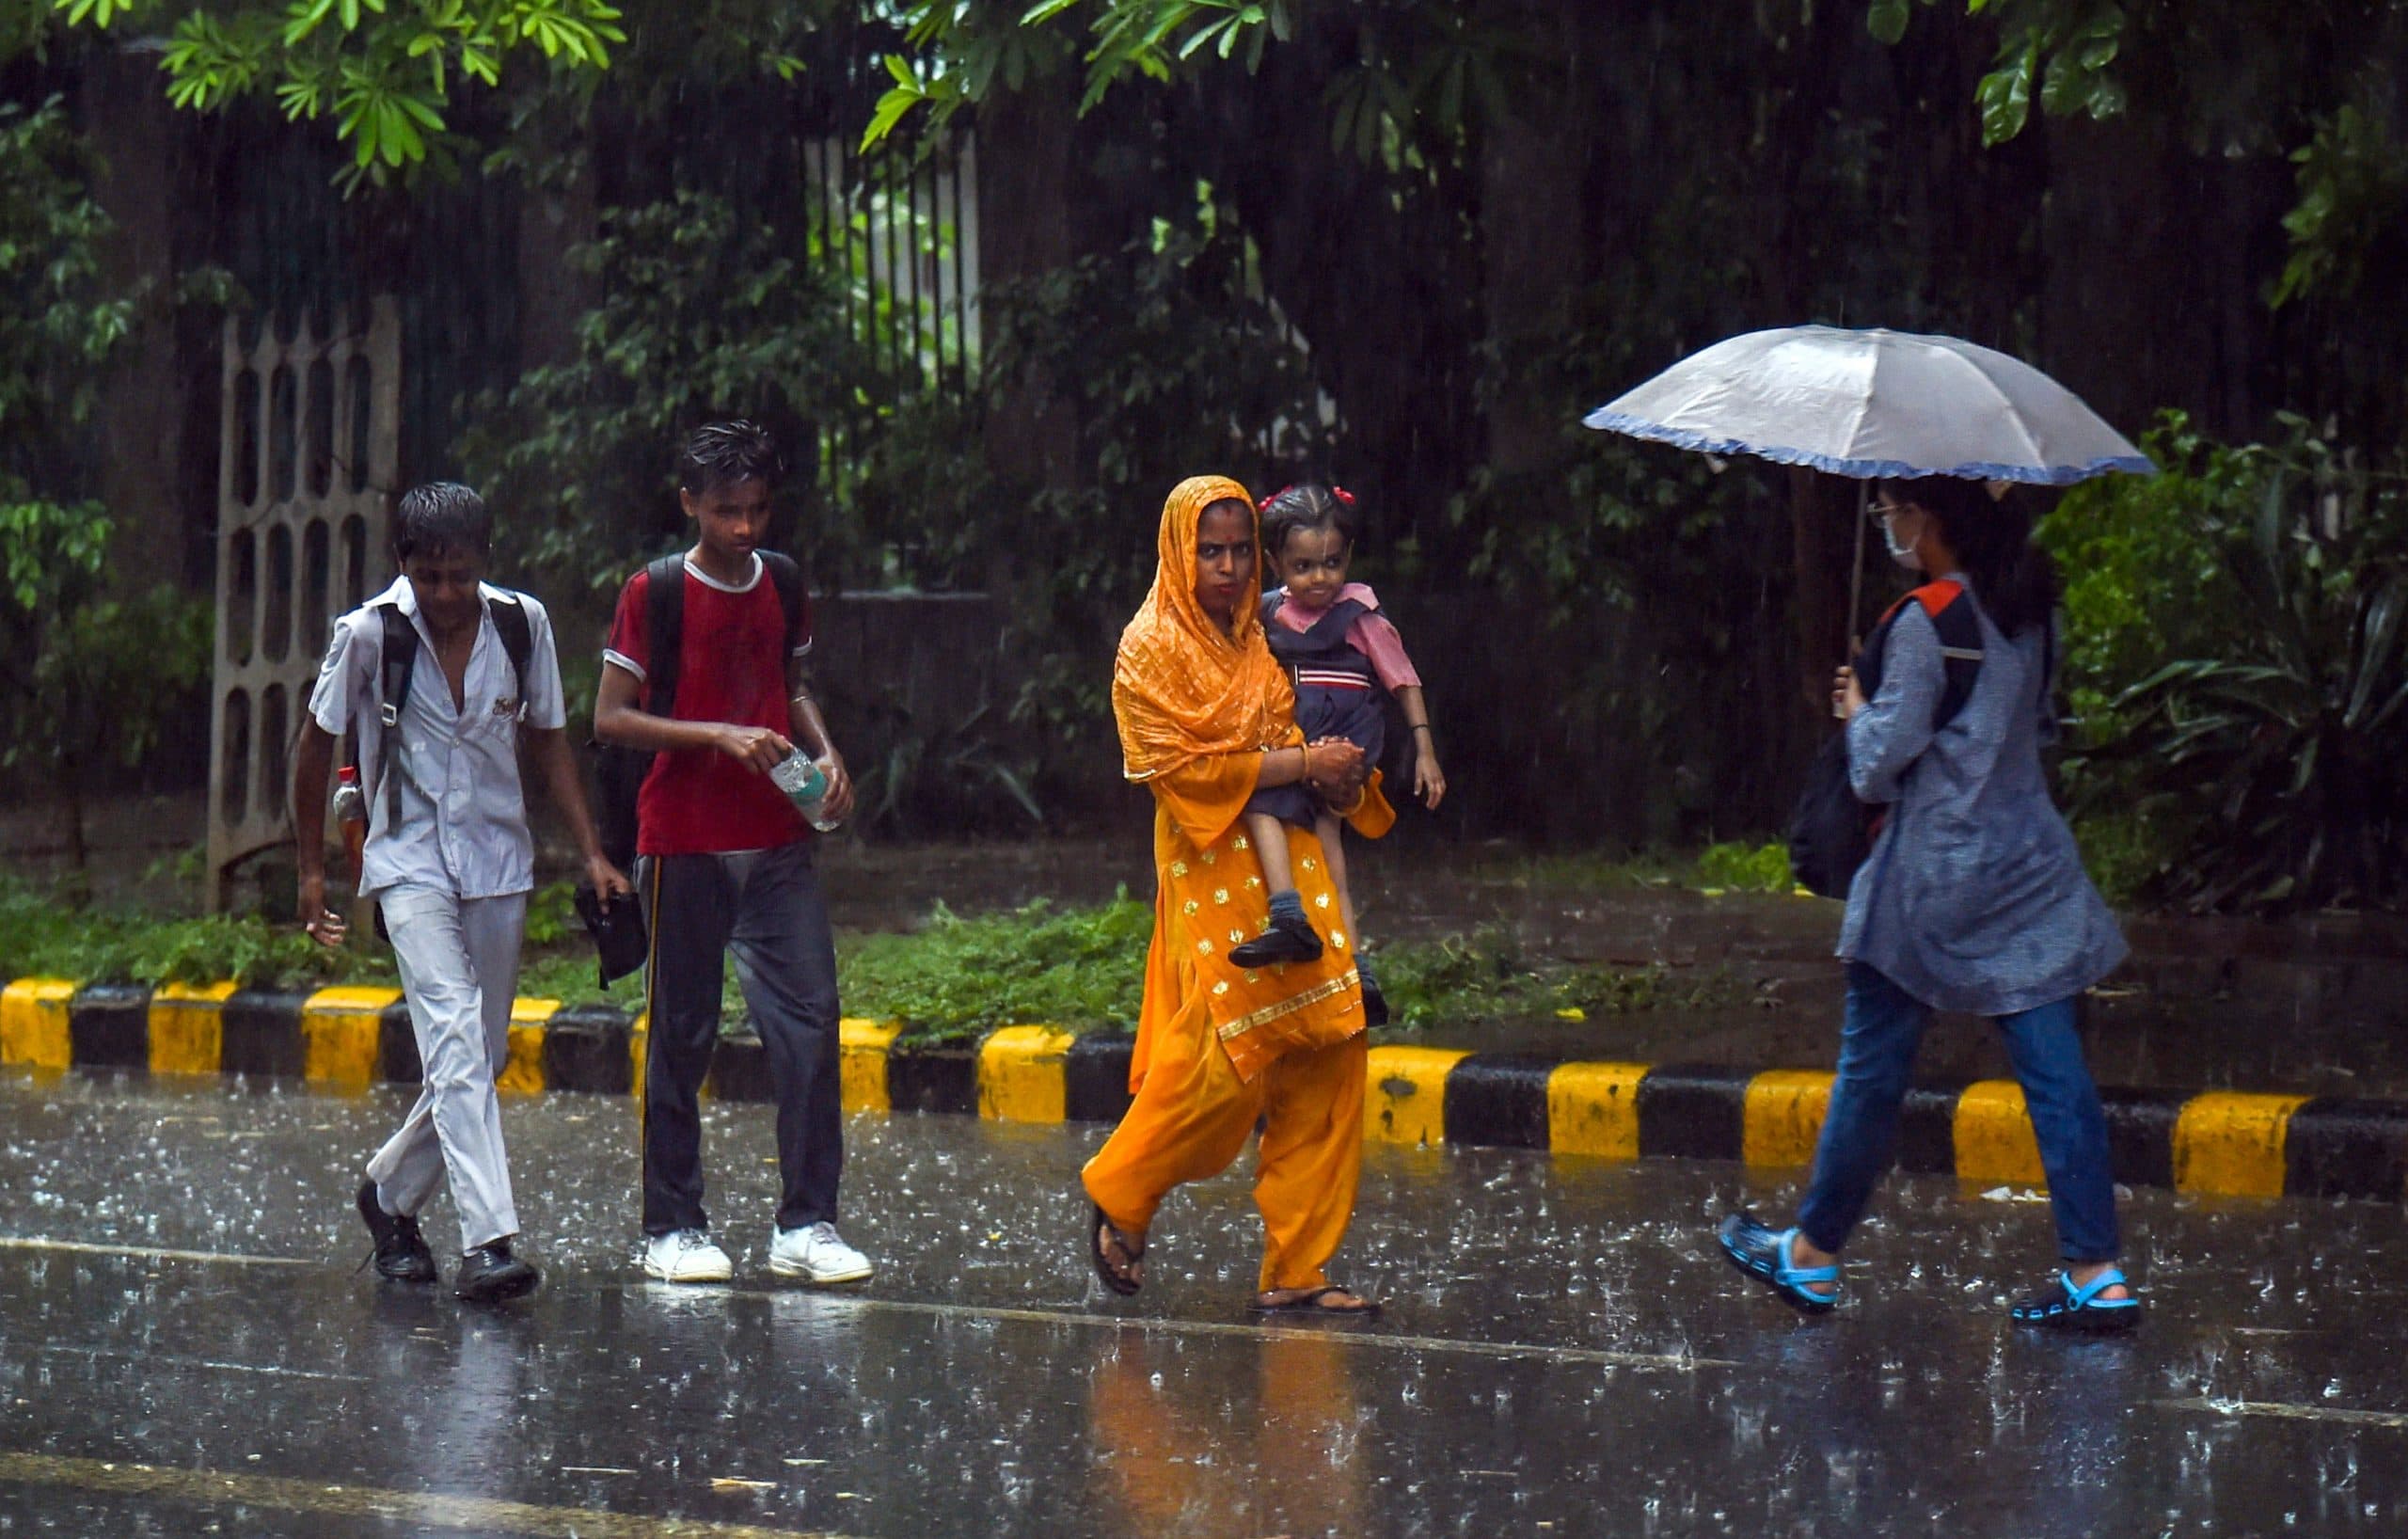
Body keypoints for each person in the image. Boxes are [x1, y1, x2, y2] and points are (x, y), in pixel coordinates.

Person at [1719, 476, 2137, 1331]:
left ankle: (1812, 1256)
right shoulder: (2031, 609)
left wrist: (1858, 709)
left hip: (1928, 881)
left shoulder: (1924, 619)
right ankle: (2097, 1272)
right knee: (2057, 1075)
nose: (1887, 525)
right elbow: (2036, 728)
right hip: (2026, 871)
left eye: (1892, 511)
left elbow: (1878, 767)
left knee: (1873, 1072)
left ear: (1929, 518)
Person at [295, 481, 629, 1304]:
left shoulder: (522, 623)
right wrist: (311, 870)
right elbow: (313, 746)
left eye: (462, 576)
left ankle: (389, 1197)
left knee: (480, 1054)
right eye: (430, 576)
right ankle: (490, 1243)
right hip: (405, 859)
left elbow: (549, 740)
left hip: (496, 861)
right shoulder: (368, 633)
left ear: (485, 563)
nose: (446, 594)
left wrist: (592, 851)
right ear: (403, 564)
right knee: (451, 1039)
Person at [1083, 473, 1395, 1317]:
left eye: (1238, 551)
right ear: (1177, 553)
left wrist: (1340, 774)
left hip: (1292, 852)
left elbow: (1301, 721)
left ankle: (1299, 1266)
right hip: (1207, 855)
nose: (1227, 568)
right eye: (1209, 552)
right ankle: (1123, 1187)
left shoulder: (1260, 632)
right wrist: (1304, 763)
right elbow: (1181, 773)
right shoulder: (1147, 649)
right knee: (1226, 1061)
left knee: (1333, 1048)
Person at [593, 420, 869, 1287]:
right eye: (724, 511)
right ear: (690, 505)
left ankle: (808, 1224)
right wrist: (717, 734)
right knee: (682, 1035)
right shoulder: (656, 590)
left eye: (755, 509)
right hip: (683, 841)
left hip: (778, 840)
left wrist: (826, 752)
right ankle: (671, 1227)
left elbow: (792, 689)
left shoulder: (782, 580)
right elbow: (610, 716)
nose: (743, 527)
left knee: (811, 1026)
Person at [1228, 483, 1445, 1025]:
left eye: (1331, 563)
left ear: (1348, 556)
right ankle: (1349, 963)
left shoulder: (1361, 616)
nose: (1319, 578)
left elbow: (1403, 681)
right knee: (1318, 847)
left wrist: (1424, 748)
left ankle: (1297, 923)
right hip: (1295, 737)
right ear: (1275, 563)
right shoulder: (1265, 614)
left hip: (1345, 739)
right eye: (1303, 566)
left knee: (1297, 821)